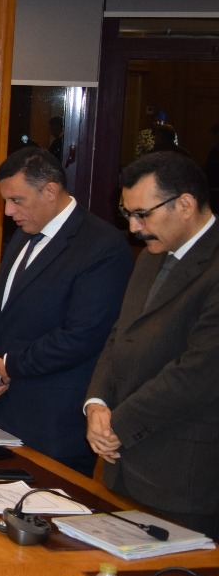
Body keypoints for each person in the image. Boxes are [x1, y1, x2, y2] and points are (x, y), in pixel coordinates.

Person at [0, 147, 130, 476]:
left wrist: (10, 365)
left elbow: (83, 335)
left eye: (17, 200)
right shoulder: (24, 233)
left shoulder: (102, 246)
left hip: (51, 423)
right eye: (5, 200)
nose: (8, 211)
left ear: (50, 190)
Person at [86, 151, 219, 538]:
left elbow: (198, 373)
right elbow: (121, 334)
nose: (134, 228)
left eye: (143, 214)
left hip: (183, 475)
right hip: (122, 465)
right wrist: (96, 404)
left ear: (185, 204)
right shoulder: (149, 257)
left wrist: (118, 424)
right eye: (128, 214)